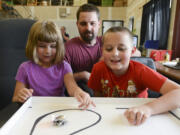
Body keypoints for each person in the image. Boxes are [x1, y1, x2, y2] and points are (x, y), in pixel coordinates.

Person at [88, 26, 180, 125]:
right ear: (102, 51)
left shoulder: (141, 71)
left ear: (132, 51)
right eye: (109, 49)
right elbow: (98, 96)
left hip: (139, 119)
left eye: (121, 48)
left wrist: (148, 108)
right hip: (110, 118)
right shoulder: (98, 69)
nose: (115, 53)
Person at [12, 20, 95, 109]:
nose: (47, 51)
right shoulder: (25, 68)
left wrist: (80, 93)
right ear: (33, 46)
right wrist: (21, 96)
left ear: (59, 46)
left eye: (53, 46)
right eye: (42, 46)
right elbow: (15, 98)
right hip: (35, 109)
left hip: (58, 109)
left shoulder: (64, 66)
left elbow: (72, 88)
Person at [65, 4, 102, 96]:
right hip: (78, 95)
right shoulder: (68, 48)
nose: (88, 28)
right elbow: (59, 78)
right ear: (77, 24)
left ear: (99, 24)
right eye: (83, 24)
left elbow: (135, 52)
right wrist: (82, 75)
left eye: (92, 23)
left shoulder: (108, 43)